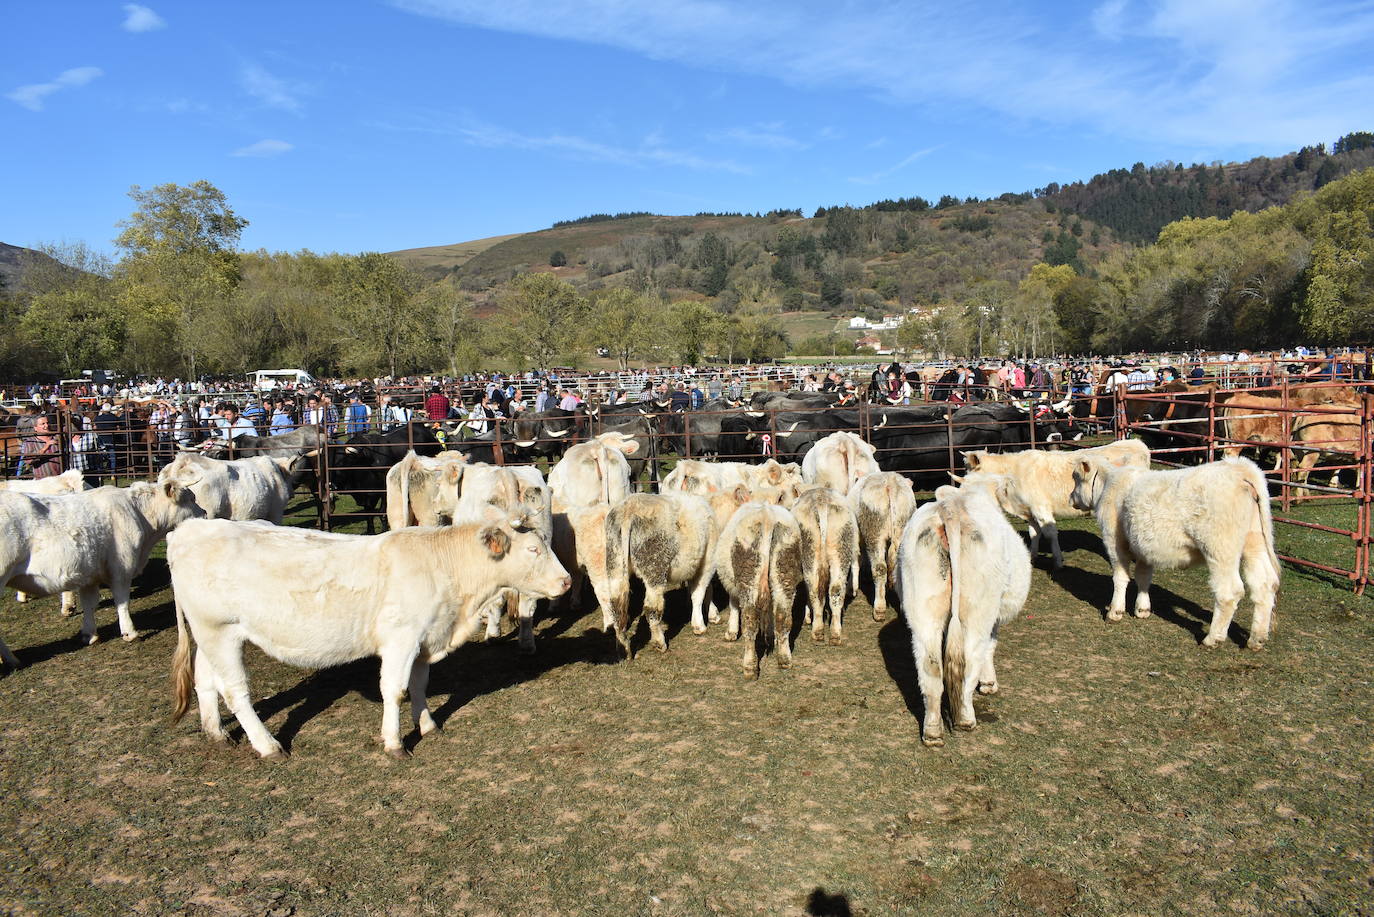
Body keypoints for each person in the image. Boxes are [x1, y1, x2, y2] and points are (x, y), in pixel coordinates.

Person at [21, 414, 61, 480]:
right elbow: (28, 460)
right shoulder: (30, 442)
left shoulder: (57, 437)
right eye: (43, 424)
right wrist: (45, 447)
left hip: (60, 478)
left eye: (47, 423)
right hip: (42, 480)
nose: (47, 426)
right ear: (35, 428)